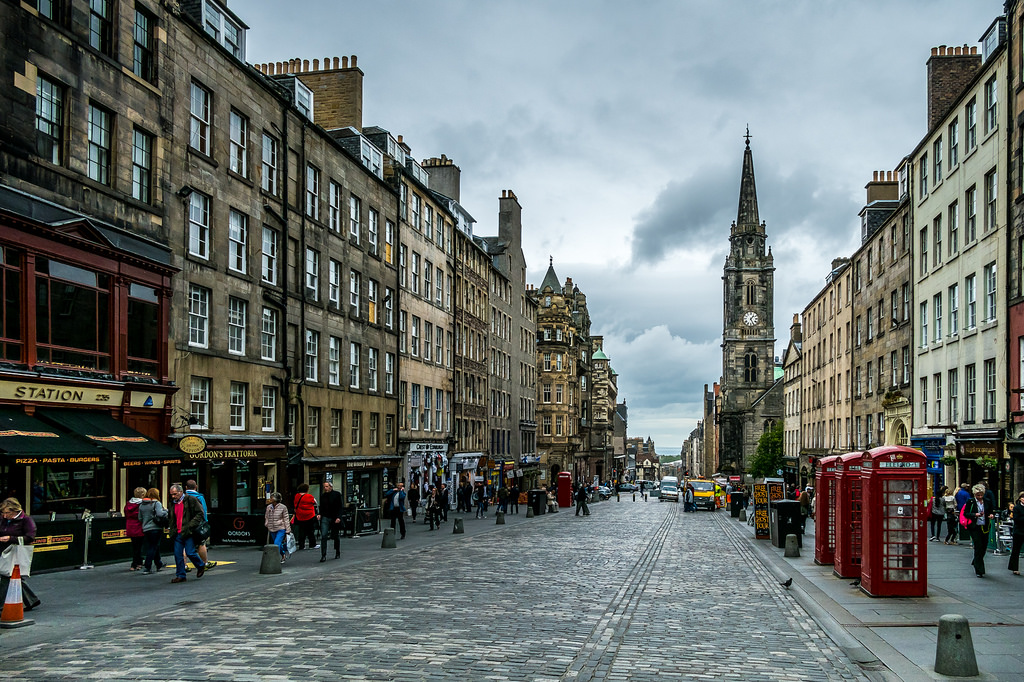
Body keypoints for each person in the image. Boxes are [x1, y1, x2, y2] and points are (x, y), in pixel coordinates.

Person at [0, 497, 40, 610]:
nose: (5, 515)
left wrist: (10, 538)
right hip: (3, 549)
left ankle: (1, 605)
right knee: (13, 575)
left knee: (6, 575)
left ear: (15, 510)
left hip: (14, 551)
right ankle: (31, 600)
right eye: (3, 513)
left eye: (7, 513)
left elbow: (30, 537)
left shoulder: (26, 520)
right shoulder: (3, 519)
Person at [167, 483, 206, 583]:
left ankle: (200, 565)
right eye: (171, 494)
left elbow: (200, 513)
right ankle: (181, 575)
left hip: (188, 532)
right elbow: (171, 517)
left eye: (175, 494)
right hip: (178, 532)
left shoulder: (191, 500)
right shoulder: (172, 503)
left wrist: (190, 525)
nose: (173, 496)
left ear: (181, 492)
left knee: (190, 552)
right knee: (178, 554)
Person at [960, 483, 994, 577]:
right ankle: (979, 570)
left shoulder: (987, 501)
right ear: (974, 494)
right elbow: (966, 513)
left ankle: (976, 560)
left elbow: (991, 511)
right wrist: (975, 514)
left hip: (985, 526)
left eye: (981, 495)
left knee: (984, 547)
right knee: (978, 546)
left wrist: (991, 515)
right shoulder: (970, 501)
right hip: (975, 527)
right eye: (978, 495)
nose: (980, 497)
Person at [184, 480, 215, 570]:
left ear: (186, 487)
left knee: (184, 544)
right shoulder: (200, 497)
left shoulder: (182, 497)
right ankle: (205, 563)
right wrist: (205, 522)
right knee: (201, 543)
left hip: (184, 524)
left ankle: (184, 565)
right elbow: (203, 511)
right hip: (197, 524)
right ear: (196, 487)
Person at [137, 487, 167, 574]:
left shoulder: (141, 505)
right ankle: (147, 566)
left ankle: (159, 563)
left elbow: (140, 518)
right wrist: (166, 511)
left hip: (146, 528)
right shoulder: (156, 503)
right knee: (153, 547)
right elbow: (160, 514)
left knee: (154, 546)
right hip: (156, 527)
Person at [319, 480, 343, 562]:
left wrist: (339, 517)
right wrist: (320, 514)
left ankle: (337, 551)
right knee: (324, 535)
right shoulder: (323, 496)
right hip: (325, 517)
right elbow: (321, 507)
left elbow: (340, 507)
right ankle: (323, 555)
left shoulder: (337, 494)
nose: (325, 488)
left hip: (334, 517)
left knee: (335, 536)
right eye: (324, 487)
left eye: (327, 486)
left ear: (331, 487)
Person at [264, 492, 291, 563]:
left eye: (271, 498)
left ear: (275, 499)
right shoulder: (269, 507)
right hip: (272, 527)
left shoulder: (283, 507)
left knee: (276, 543)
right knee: (278, 544)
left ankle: (274, 559)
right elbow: (267, 516)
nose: (270, 499)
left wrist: (288, 530)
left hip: (281, 527)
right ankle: (283, 554)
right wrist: (267, 523)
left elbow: (286, 518)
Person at [124, 487, 146, 571]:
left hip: (130, 526)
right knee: (139, 546)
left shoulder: (128, 504)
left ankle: (137, 562)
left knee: (135, 546)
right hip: (139, 526)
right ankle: (136, 563)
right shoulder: (141, 504)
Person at [292, 483, 318, 550]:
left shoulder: (297, 496)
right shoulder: (309, 496)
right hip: (309, 515)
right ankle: (312, 544)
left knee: (301, 531)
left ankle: (301, 545)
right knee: (310, 531)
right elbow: (315, 502)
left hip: (300, 515)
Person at [1008, 490, 1024, 576]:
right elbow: (1016, 518)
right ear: (1020, 499)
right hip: (1018, 531)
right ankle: (1014, 568)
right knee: (1016, 550)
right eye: (1023, 497)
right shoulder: (1017, 507)